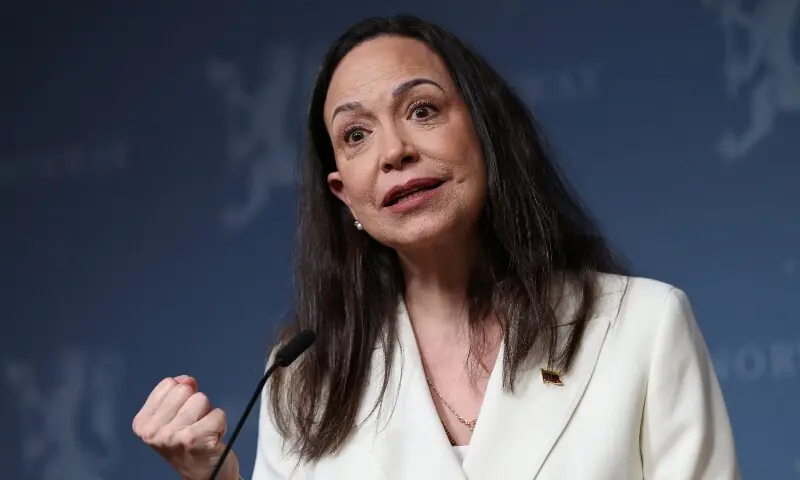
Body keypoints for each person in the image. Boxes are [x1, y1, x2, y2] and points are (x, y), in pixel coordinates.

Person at [132, 14, 740, 480]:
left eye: (421, 110)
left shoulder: (644, 326)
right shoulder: (303, 381)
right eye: (357, 134)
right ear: (345, 194)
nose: (393, 150)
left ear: (485, 133)